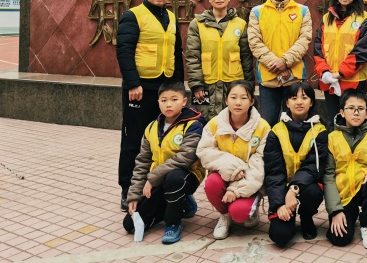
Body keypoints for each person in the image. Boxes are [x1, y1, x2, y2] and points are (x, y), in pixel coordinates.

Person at [116, 0, 184, 211]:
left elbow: (176, 52)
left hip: (165, 89)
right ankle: (128, 189)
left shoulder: (171, 17)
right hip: (140, 89)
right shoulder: (133, 15)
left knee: (163, 138)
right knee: (134, 140)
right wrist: (133, 83)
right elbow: (124, 50)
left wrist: (178, 87)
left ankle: (156, 187)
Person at [122, 82, 205, 244]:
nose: (168, 104)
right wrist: (134, 195)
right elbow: (142, 162)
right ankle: (184, 202)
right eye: (164, 100)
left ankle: (173, 222)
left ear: (184, 101)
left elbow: (185, 158)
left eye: (174, 99)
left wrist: (152, 178)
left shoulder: (193, 125)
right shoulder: (151, 127)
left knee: (174, 179)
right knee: (129, 224)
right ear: (158, 102)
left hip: (185, 176)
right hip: (158, 180)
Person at [196, 80, 270, 239]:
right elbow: (204, 151)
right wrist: (233, 167)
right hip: (223, 175)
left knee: (240, 213)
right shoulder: (215, 124)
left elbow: (259, 164)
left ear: (252, 101)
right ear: (226, 100)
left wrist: (234, 190)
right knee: (212, 183)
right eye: (233, 97)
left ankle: (252, 206)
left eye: (244, 98)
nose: (238, 103)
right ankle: (224, 216)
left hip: (249, 179)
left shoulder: (263, 127)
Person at [324, 89, 367, 249]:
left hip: (365, 190)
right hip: (343, 194)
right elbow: (328, 175)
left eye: (360, 109)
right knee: (339, 239)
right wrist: (335, 211)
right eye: (351, 108)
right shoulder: (331, 138)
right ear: (342, 112)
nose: (356, 113)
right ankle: (350, 214)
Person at [264, 81, 328, 245]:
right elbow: (273, 171)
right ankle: (288, 216)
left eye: (304, 98)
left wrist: (294, 189)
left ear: (311, 102)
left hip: (305, 186)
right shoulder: (276, 131)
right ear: (287, 103)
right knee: (280, 236)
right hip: (282, 188)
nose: (299, 102)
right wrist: (279, 204)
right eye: (294, 98)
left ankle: (306, 217)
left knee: (314, 191)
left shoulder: (320, 131)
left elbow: (314, 167)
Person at [248, 0, 312, 126]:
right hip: (268, 77)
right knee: (267, 124)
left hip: (294, 78)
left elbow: (304, 40)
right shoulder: (257, 12)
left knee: (295, 123)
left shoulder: (302, 10)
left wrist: (285, 61)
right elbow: (254, 42)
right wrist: (276, 64)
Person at [186, 0, 253, 121]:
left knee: (233, 122)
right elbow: (192, 56)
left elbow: (246, 58)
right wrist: (197, 85)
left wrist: (248, 86)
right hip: (206, 86)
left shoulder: (240, 24)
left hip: (233, 86)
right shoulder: (197, 24)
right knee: (205, 123)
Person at [314, 0, 367, 125]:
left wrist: (339, 74)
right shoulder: (326, 18)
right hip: (329, 81)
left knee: (354, 123)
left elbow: (362, 51)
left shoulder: (364, 19)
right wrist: (325, 73)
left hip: (353, 82)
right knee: (334, 122)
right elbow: (318, 47)